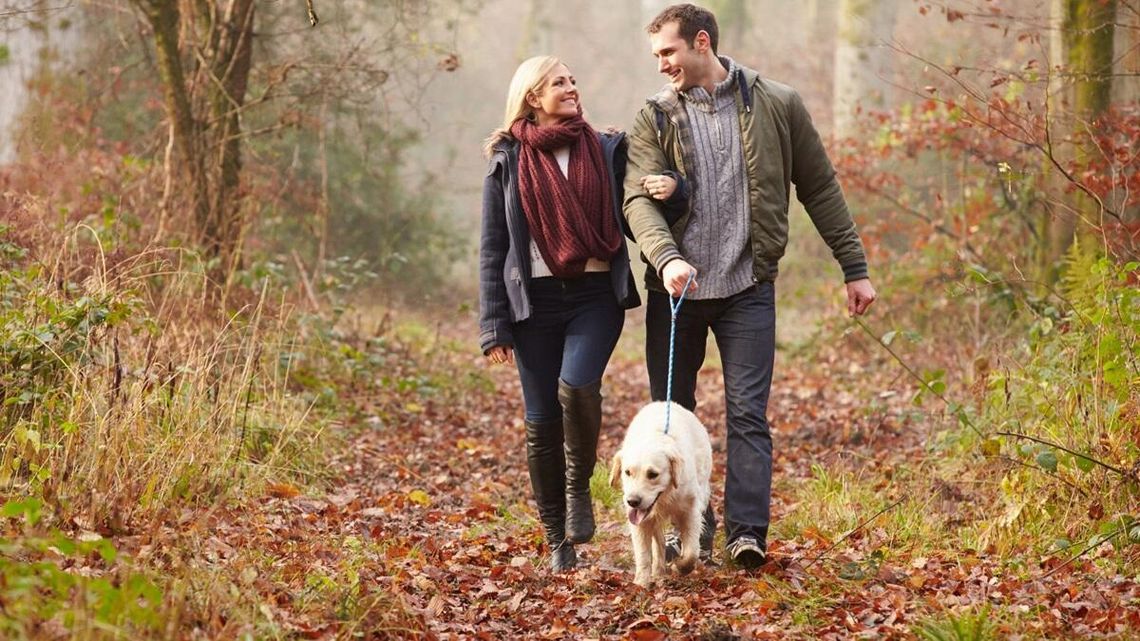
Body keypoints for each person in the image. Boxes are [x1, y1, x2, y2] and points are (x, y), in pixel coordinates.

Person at [623, 4, 878, 570]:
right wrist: (665, 259)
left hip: (747, 289)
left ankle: (745, 534)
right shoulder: (653, 118)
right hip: (676, 293)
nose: (662, 64)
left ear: (702, 43)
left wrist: (853, 266)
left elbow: (820, 187)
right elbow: (636, 201)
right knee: (672, 419)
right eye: (657, 56)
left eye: (669, 52)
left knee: (747, 415)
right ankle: (682, 533)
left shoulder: (777, 104)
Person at [479, 56, 688, 571]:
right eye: (559, 83)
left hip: (595, 295)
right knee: (541, 421)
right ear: (533, 96)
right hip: (534, 305)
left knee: (576, 385)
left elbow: (641, 211)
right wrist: (494, 325)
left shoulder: (605, 148)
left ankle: (579, 486)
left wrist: (674, 193)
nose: (571, 89)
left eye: (572, 81)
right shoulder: (507, 158)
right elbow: (493, 246)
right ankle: (558, 541)